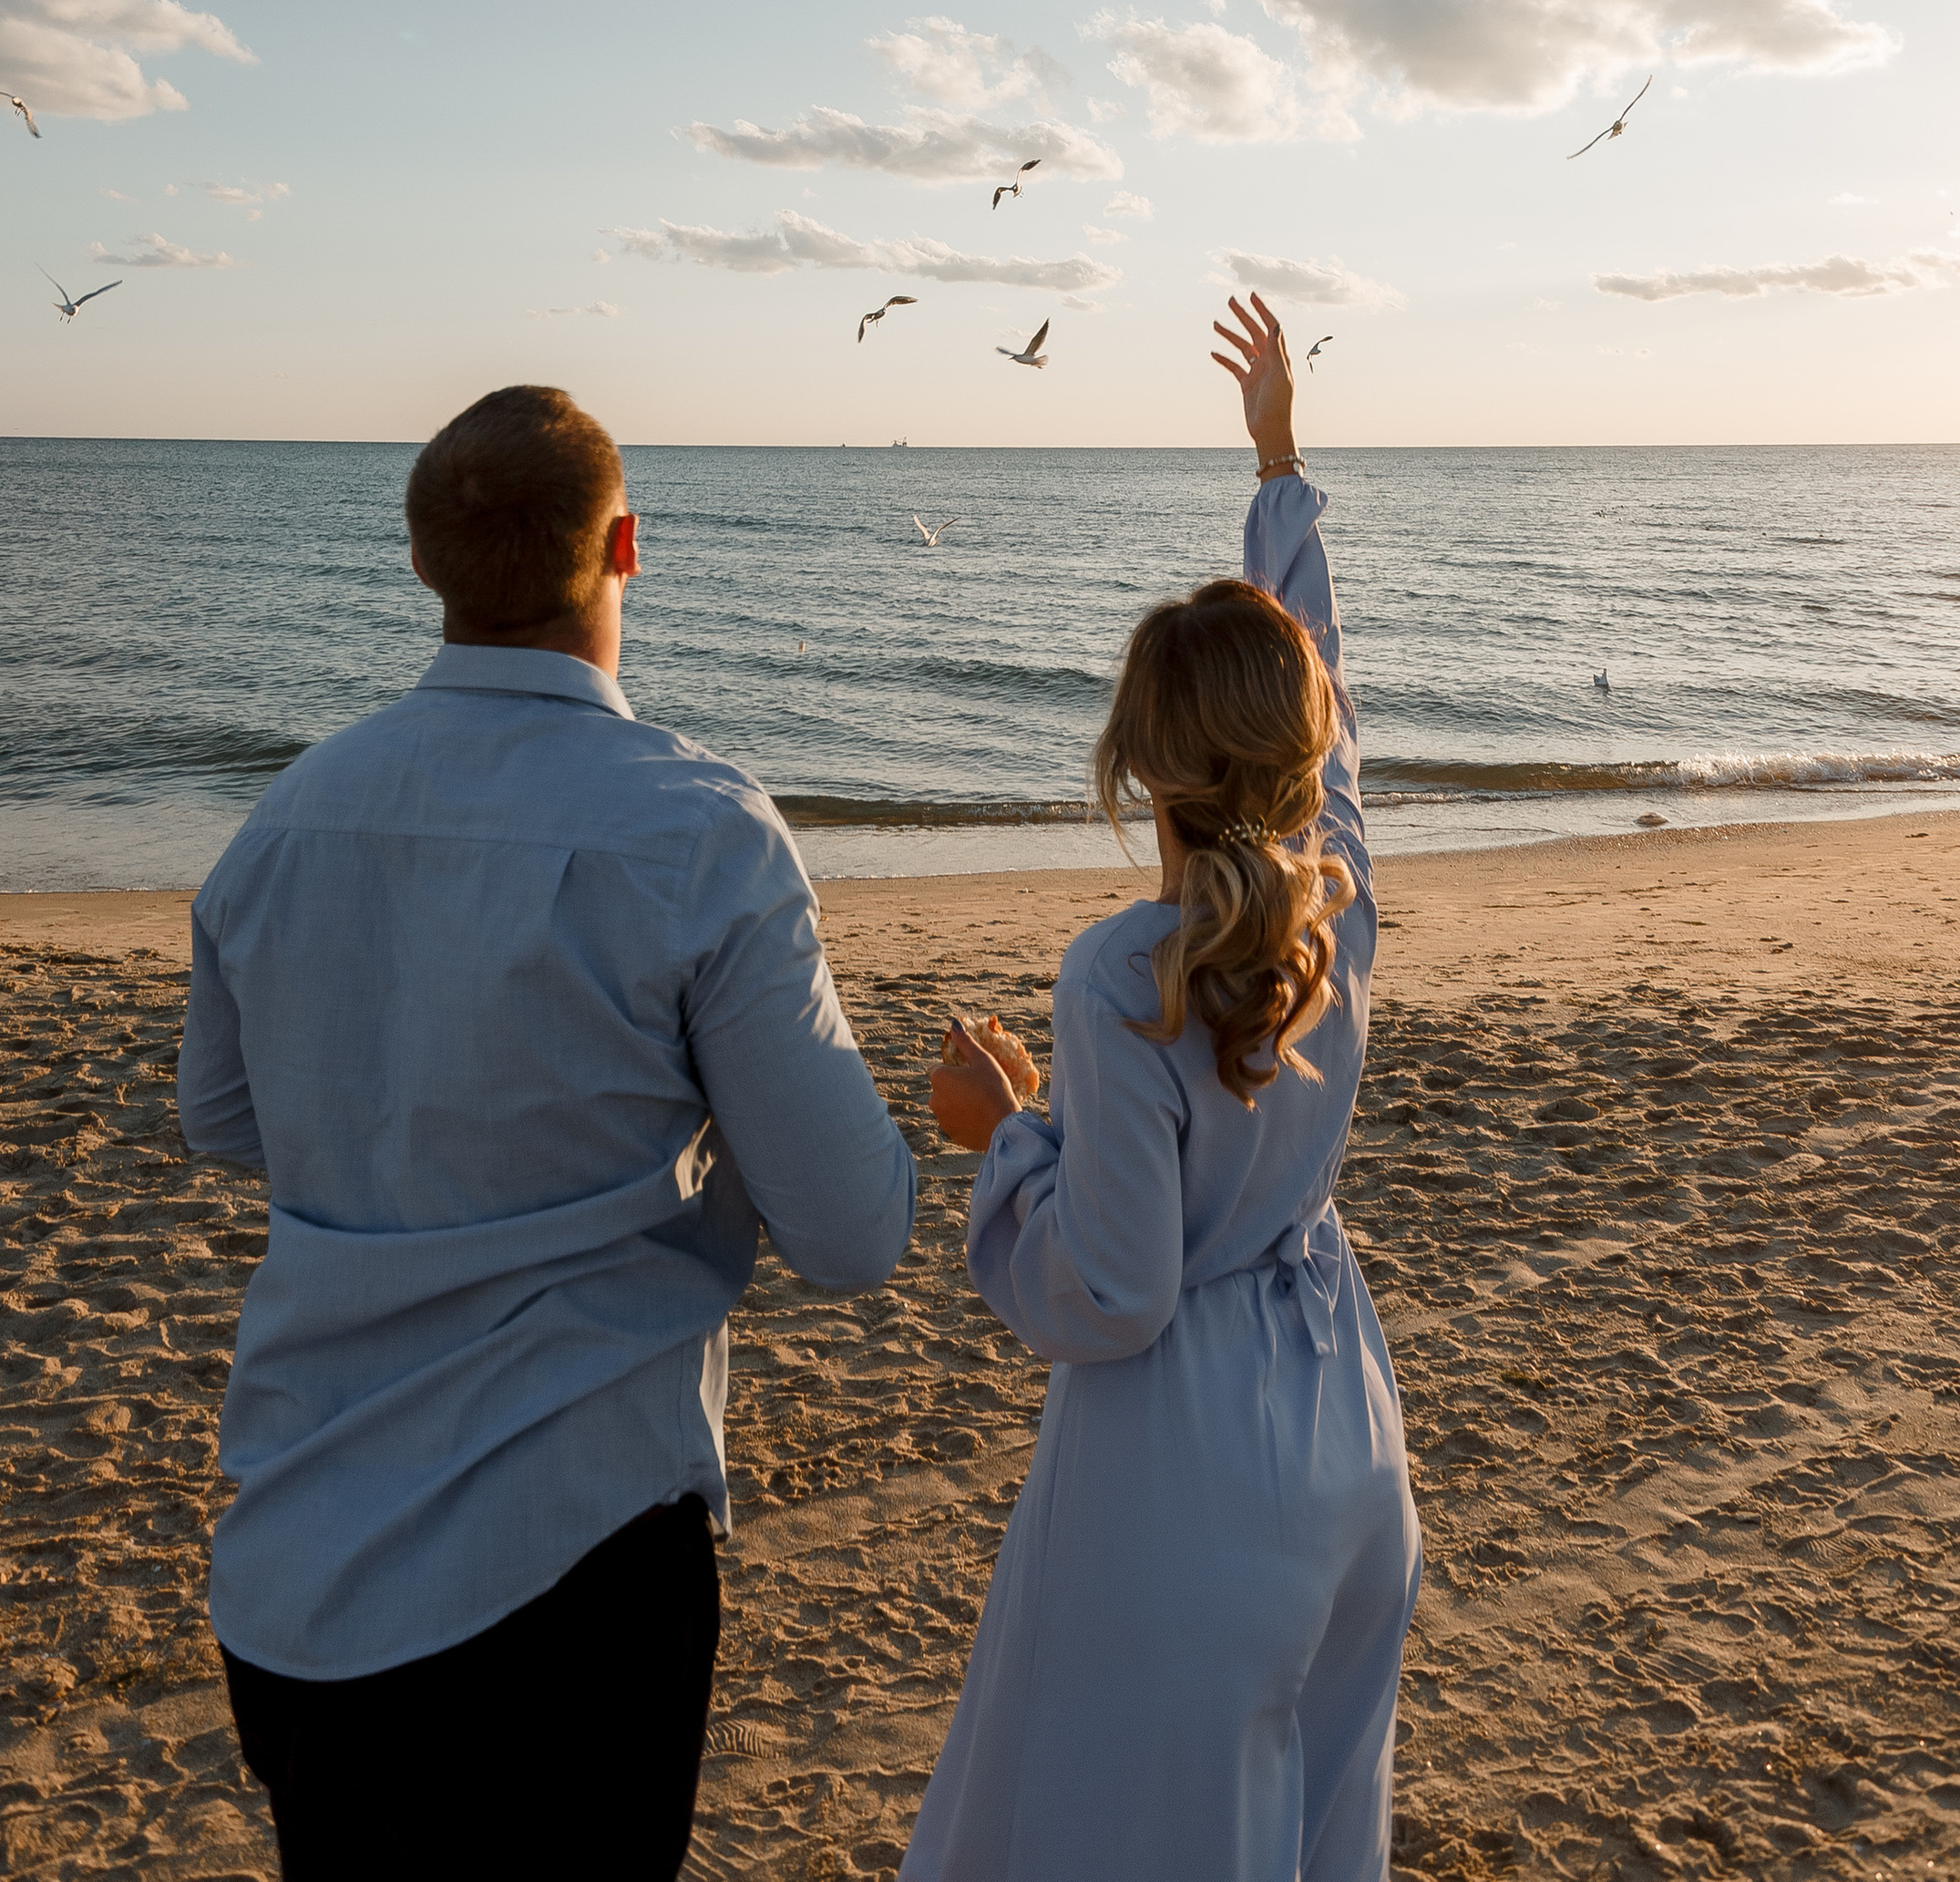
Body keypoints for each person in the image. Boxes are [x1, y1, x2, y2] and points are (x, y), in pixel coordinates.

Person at [178, 385, 916, 1879]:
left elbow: (223, 1117)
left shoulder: (292, 816)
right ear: (625, 545)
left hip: (304, 1565)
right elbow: (853, 1232)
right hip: (572, 1560)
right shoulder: (699, 834)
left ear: (421, 564)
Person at [903, 295, 1420, 1882]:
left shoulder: (1124, 974)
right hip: (1345, 1442)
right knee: (1305, 1824)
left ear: (1134, 767)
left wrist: (1007, 1138)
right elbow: (1315, 680)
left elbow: (1116, 1288)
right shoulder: (1343, 902)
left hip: (1184, 1476)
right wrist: (1280, 462)